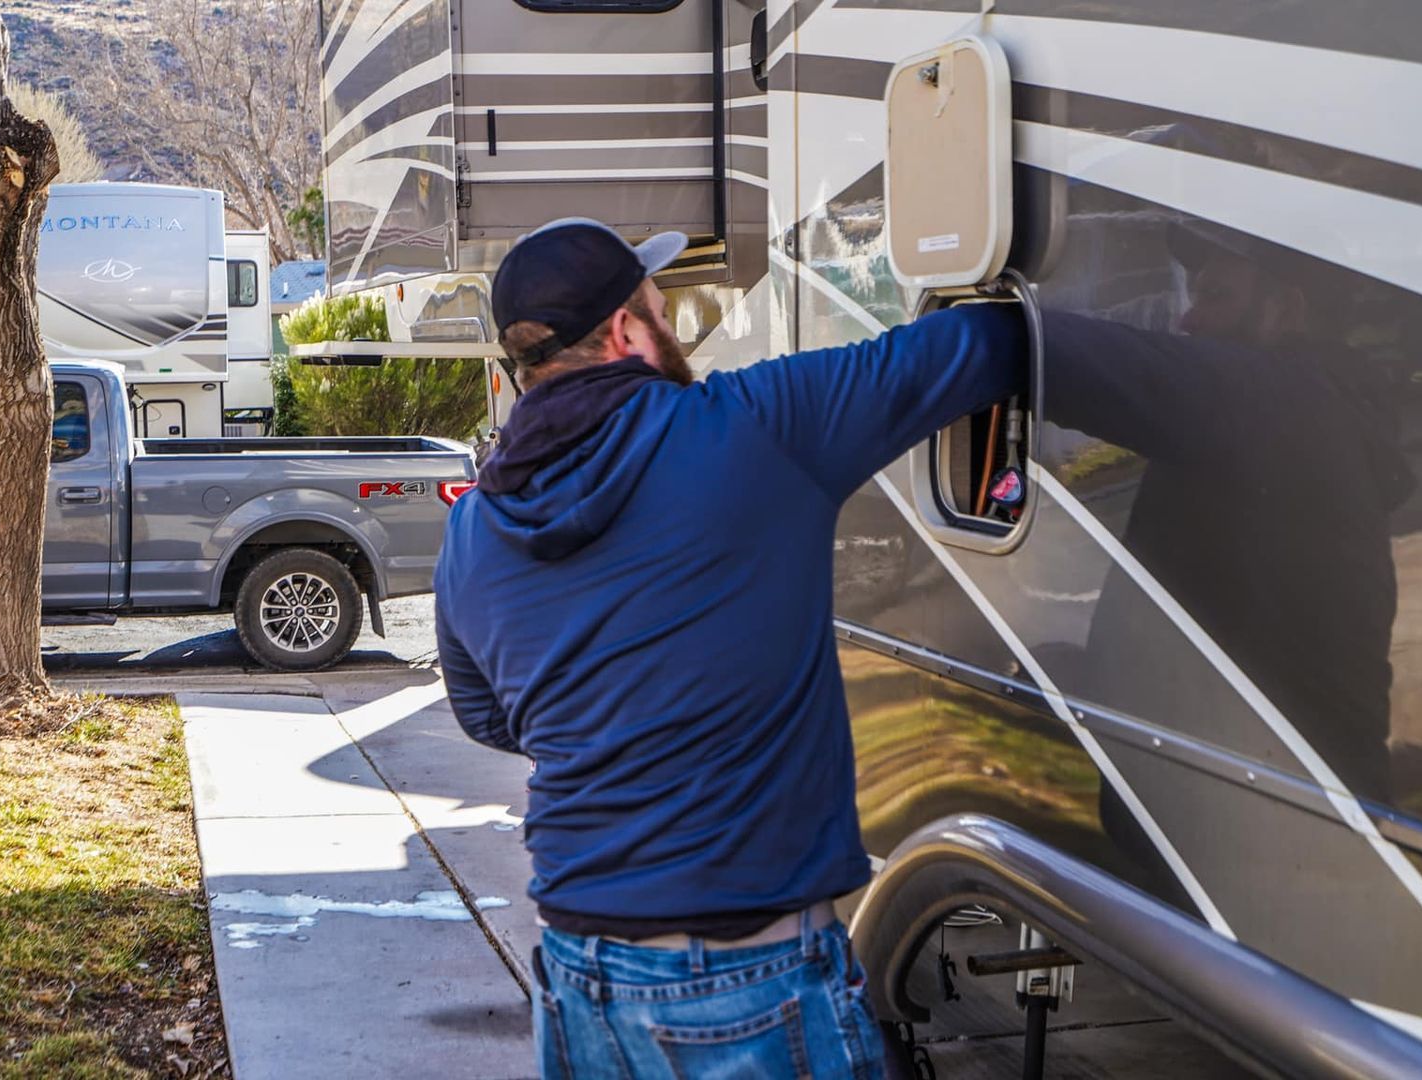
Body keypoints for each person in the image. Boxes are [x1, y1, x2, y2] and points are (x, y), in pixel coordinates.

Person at [433, 217, 1027, 1079]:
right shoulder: (757, 427)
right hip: (752, 973)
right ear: (627, 331)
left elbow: (489, 718)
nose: (670, 317)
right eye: (656, 303)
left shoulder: (475, 529)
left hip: (578, 973)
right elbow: (981, 343)